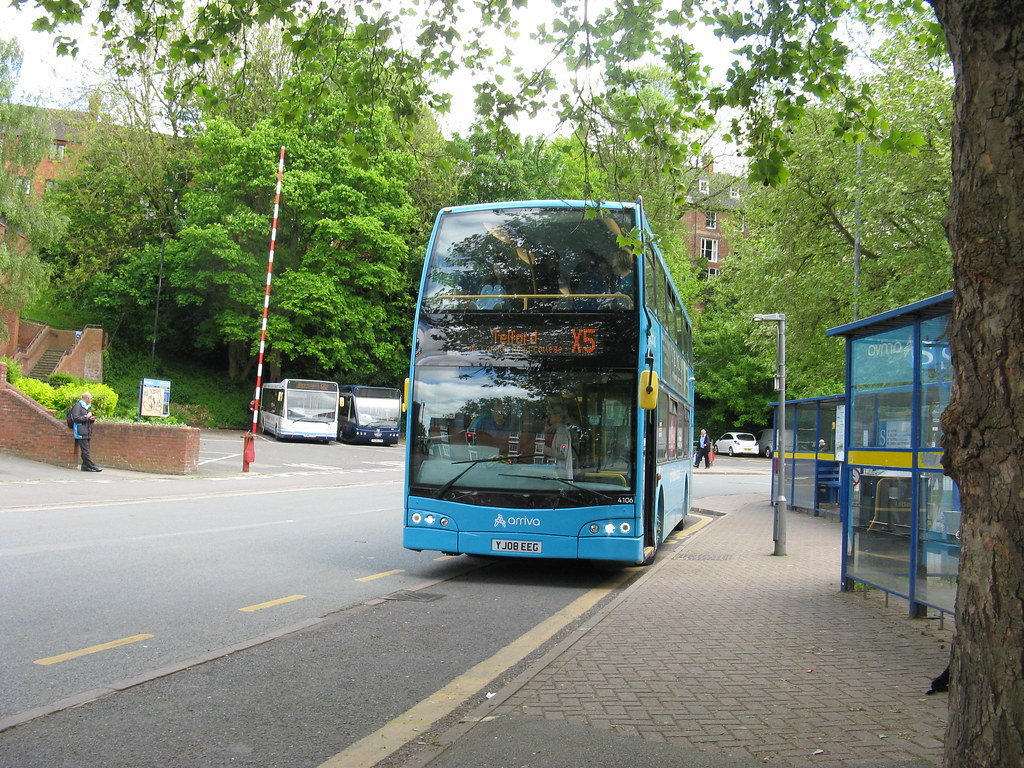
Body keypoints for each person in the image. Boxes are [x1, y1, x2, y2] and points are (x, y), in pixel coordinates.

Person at [70, 392, 102, 472]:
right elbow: (76, 418)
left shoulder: (88, 407)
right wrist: (86, 417)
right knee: (85, 450)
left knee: (86, 450)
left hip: (87, 431)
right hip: (80, 431)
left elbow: (88, 419)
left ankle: (85, 466)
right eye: (90, 398)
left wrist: (91, 419)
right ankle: (92, 466)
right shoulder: (78, 406)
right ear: (87, 398)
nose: (91, 399)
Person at [544, 406, 575, 477]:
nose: (549, 417)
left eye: (551, 415)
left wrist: (543, 449)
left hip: (562, 476)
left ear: (558, 416)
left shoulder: (562, 432)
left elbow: (562, 454)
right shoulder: (559, 430)